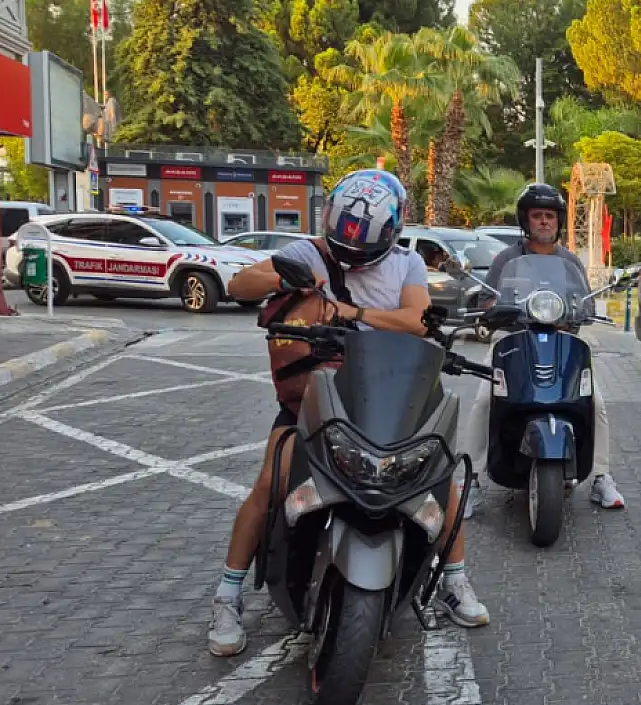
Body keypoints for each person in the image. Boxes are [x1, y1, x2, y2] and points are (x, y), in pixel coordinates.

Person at [208, 169, 487, 658]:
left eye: (364, 245)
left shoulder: (406, 264)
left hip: (386, 395)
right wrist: (284, 275)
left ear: (391, 232)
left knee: (442, 482)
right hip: (313, 396)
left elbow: (416, 321)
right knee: (271, 479)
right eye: (345, 242)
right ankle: (227, 595)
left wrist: (348, 313)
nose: (352, 253)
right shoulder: (308, 252)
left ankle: (454, 581)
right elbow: (239, 284)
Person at [458, 184, 626, 515]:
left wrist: (582, 311)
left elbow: (586, 302)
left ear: (559, 221)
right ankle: (471, 479)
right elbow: (487, 298)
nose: (544, 222)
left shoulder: (570, 261)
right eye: (538, 216)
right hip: (513, 340)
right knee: (482, 401)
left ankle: (601, 477)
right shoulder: (507, 258)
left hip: (563, 341)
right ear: (526, 220)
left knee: (596, 403)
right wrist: (495, 308)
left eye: (550, 216)